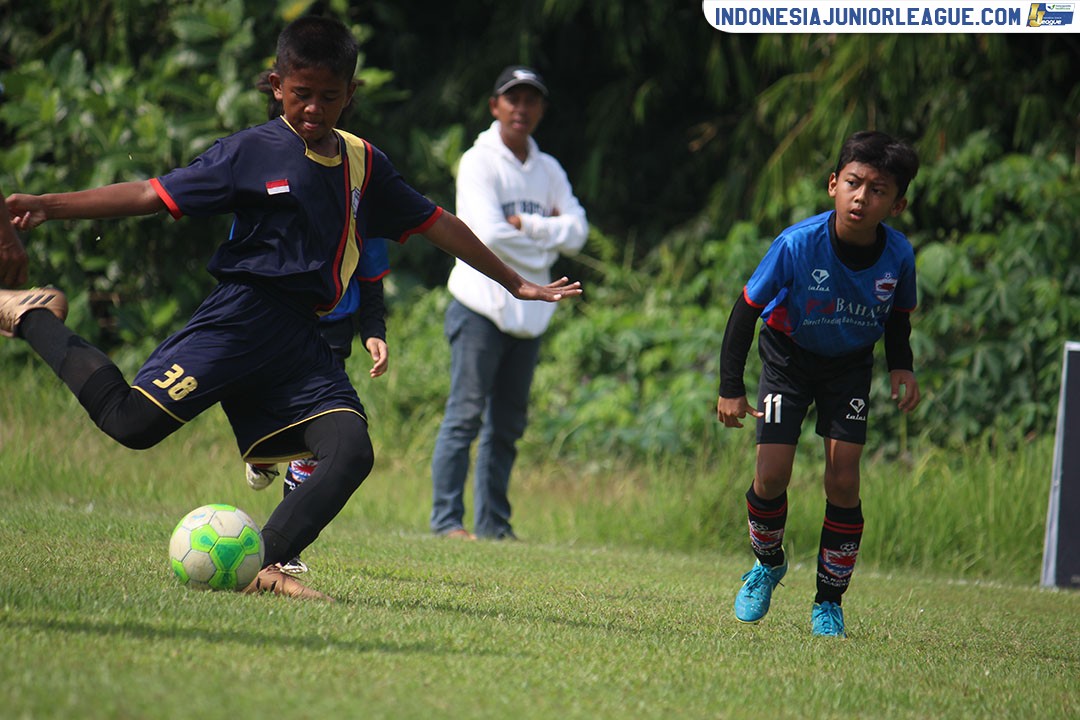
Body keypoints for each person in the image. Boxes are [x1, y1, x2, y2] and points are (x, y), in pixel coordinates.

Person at [0, 17, 580, 602]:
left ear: (350, 95)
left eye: (330, 97)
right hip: (239, 320)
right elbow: (153, 194)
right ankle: (33, 314)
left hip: (302, 339)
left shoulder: (364, 164)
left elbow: (437, 223)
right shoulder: (250, 151)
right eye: (302, 94)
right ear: (277, 85)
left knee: (350, 449)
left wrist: (515, 283)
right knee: (130, 423)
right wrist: (48, 205)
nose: (314, 108)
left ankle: (264, 564)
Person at [716, 131, 921, 638]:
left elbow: (897, 319)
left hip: (849, 364)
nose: (862, 197)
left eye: (877, 190)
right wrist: (730, 387)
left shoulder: (899, 256)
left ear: (896, 203)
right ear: (833, 184)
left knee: (844, 477)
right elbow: (745, 311)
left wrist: (902, 367)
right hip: (787, 357)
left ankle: (828, 600)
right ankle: (767, 564)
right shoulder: (796, 244)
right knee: (771, 475)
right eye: (853, 183)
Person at [429, 66, 587, 541]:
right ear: (495, 106)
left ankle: (494, 526)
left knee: (507, 427)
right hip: (479, 305)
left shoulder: (549, 169)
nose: (521, 108)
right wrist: (545, 240)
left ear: (540, 109)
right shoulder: (479, 162)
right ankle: (447, 523)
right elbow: (486, 233)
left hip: (533, 315)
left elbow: (578, 233)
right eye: (511, 98)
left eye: (531, 100)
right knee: (465, 415)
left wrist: (529, 226)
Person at [245, 239, 390, 576]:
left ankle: (286, 548)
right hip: (277, 315)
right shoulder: (278, 191)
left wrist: (373, 330)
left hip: (332, 330)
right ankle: (265, 450)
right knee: (273, 401)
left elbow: (370, 275)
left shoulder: (363, 199)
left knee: (316, 433)